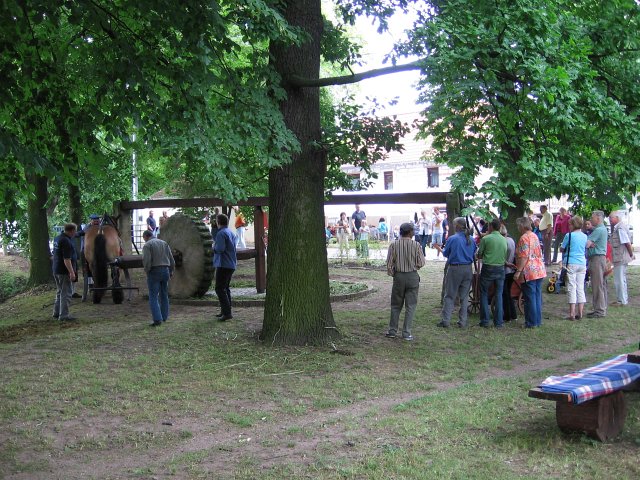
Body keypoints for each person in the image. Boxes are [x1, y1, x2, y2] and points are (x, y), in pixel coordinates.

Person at [385, 222, 425, 341]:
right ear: (410, 232)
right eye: (413, 230)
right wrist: (415, 267)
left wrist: (394, 274)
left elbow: (389, 264)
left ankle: (392, 331)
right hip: (412, 276)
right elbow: (421, 262)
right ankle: (406, 333)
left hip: (399, 277)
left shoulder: (394, 245)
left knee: (396, 305)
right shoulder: (416, 245)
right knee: (411, 306)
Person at [437, 217, 476, 328]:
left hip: (455, 268)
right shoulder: (472, 239)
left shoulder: (453, 239)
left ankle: (446, 321)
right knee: (464, 297)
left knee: (450, 295)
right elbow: (474, 253)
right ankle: (463, 321)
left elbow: (446, 254)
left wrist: (439, 249)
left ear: (457, 226)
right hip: (468, 268)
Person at [514, 217, 546, 328]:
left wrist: (518, 271)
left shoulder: (524, 238)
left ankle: (531, 323)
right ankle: (537, 321)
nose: (518, 228)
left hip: (529, 271)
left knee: (529, 298)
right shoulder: (534, 235)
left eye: (518, 226)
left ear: (522, 226)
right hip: (539, 269)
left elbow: (523, 257)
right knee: (537, 297)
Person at [476, 218, 508, 328]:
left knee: (484, 293)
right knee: (499, 294)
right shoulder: (504, 239)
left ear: (490, 227)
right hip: (500, 268)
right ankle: (499, 322)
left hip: (488, 268)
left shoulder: (486, 239)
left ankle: (485, 321)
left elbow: (479, 255)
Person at [142, 230, 175, 326]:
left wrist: (147, 271)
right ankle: (164, 317)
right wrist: (171, 271)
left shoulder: (147, 245)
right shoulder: (164, 243)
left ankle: (157, 319)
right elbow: (172, 259)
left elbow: (146, 261)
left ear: (145, 237)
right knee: (164, 294)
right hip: (165, 270)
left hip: (154, 271)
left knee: (153, 296)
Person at [560, 216, 588, 320]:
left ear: (573, 224)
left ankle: (572, 314)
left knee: (571, 287)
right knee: (580, 287)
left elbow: (562, 248)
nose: (569, 226)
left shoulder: (569, 235)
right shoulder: (585, 236)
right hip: (582, 262)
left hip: (571, 262)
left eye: (570, 224)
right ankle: (580, 313)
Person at [52, 223, 78, 321]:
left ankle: (56, 312)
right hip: (64, 271)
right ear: (71, 231)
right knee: (66, 292)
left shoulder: (57, 238)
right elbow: (66, 259)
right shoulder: (66, 241)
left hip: (56, 269)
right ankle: (64, 316)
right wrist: (71, 272)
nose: (75, 233)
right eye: (74, 231)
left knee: (59, 291)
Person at [214, 214, 237, 321]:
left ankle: (227, 313)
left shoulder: (221, 233)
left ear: (218, 222)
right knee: (225, 288)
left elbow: (220, 249)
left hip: (224, 264)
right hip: (231, 264)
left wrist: (213, 247)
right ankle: (225, 311)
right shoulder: (231, 232)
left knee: (219, 288)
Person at [609, 211, 634, 306]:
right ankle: (622, 299)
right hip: (620, 256)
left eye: (611, 218)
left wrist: (631, 254)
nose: (610, 220)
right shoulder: (620, 227)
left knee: (619, 279)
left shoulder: (620, 228)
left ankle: (622, 300)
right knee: (620, 279)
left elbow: (627, 242)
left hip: (620, 257)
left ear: (617, 217)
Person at [586, 210, 608, 318]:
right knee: (600, 284)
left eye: (592, 217)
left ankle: (599, 311)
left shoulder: (599, 230)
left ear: (598, 219)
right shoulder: (601, 229)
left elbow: (587, 243)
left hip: (596, 259)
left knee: (597, 285)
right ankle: (600, 308)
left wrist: (590, 244)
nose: (591, 219)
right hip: (599, 259)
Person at [501, 225, 518, 323]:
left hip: (504, 269)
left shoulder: (503, 242)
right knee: (508, 293)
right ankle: (513, 314)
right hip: (511, 271)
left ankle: (507, 316)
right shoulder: (511, 240)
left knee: (505, 294)